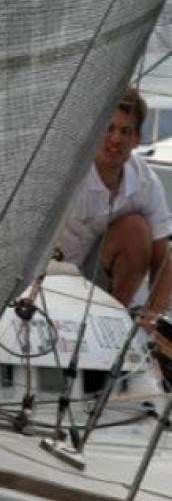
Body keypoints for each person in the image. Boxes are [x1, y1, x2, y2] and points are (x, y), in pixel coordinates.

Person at [53, 86, 172, 330]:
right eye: (108, 129)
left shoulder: (145, 181)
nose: (116, 139)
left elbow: (164, 256)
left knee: (136, 228)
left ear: (137, 139)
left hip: (96, 275)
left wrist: (153, 317)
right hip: (52, 274)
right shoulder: (67, 172)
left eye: (125, 131)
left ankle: (114, 323)